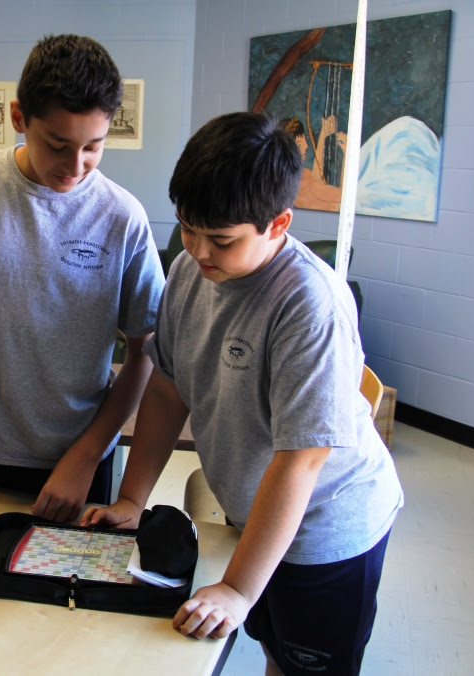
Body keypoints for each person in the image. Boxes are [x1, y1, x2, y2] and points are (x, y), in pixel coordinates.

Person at [81, 112, 403, 675]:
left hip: (325, 527)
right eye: (188, 228)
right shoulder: (191, 270)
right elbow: (167, 390)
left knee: (305, 665)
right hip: (255, 513)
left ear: (278, 224)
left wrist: (236, 587)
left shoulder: (309, 305)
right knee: (275, 647)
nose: (199, 250)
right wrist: (131, 500)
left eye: (222, 240)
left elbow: (302, 460)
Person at [0, 34, 164, 523]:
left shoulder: (122, 217)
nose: (75, 166)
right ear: (19, 118)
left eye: (94, 147)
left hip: (78, 461)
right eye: (57, 145)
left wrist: (86, 455)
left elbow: (146, 348)